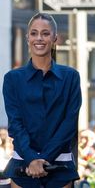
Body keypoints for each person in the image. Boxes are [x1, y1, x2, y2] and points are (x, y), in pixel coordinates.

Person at [2, 13, 82, 188]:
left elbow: (69, 124)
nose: (39, 38)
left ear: (55, 38)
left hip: (60, 165)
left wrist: (43, 159)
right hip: (23, 165)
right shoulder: (12, 79)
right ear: (27, 38)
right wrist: (32, 159)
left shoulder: (71, 77)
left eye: (45, 33)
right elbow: (15, 124)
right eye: (34, 33)